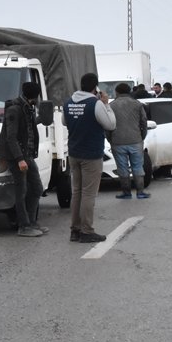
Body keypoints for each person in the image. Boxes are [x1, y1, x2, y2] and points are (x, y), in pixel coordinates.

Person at [63, 72, 115, 243]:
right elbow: (110, 124)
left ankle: (75, 230)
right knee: (88, 194)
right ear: (95, 87)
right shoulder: (96, 104)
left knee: (76, 192)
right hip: (91, 154)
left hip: (74, 152)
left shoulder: (68, 102)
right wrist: (106, 105)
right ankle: (87, 230)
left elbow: (64, 122)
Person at [0, 81, 47, 237]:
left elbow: (27, 128)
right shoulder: (14, 109)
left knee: (37, 188)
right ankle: (24, 226)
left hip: (28, 155)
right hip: (18, 157)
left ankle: (31, 222)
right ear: (35, 96)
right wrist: (19, 159)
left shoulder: (27, 107)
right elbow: (10, 137)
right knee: (21, 191)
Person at [107, 83, 150, 199]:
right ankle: (140, 192)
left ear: (117, 92)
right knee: (137, 167)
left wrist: (110, 139)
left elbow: (108, 125)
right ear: (129, 91)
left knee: (122, 168)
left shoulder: (111, 106)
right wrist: (142, 136)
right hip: (136, 140)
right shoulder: (137, 104)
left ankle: (126, 192)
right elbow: (144, 121)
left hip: (118, 141)